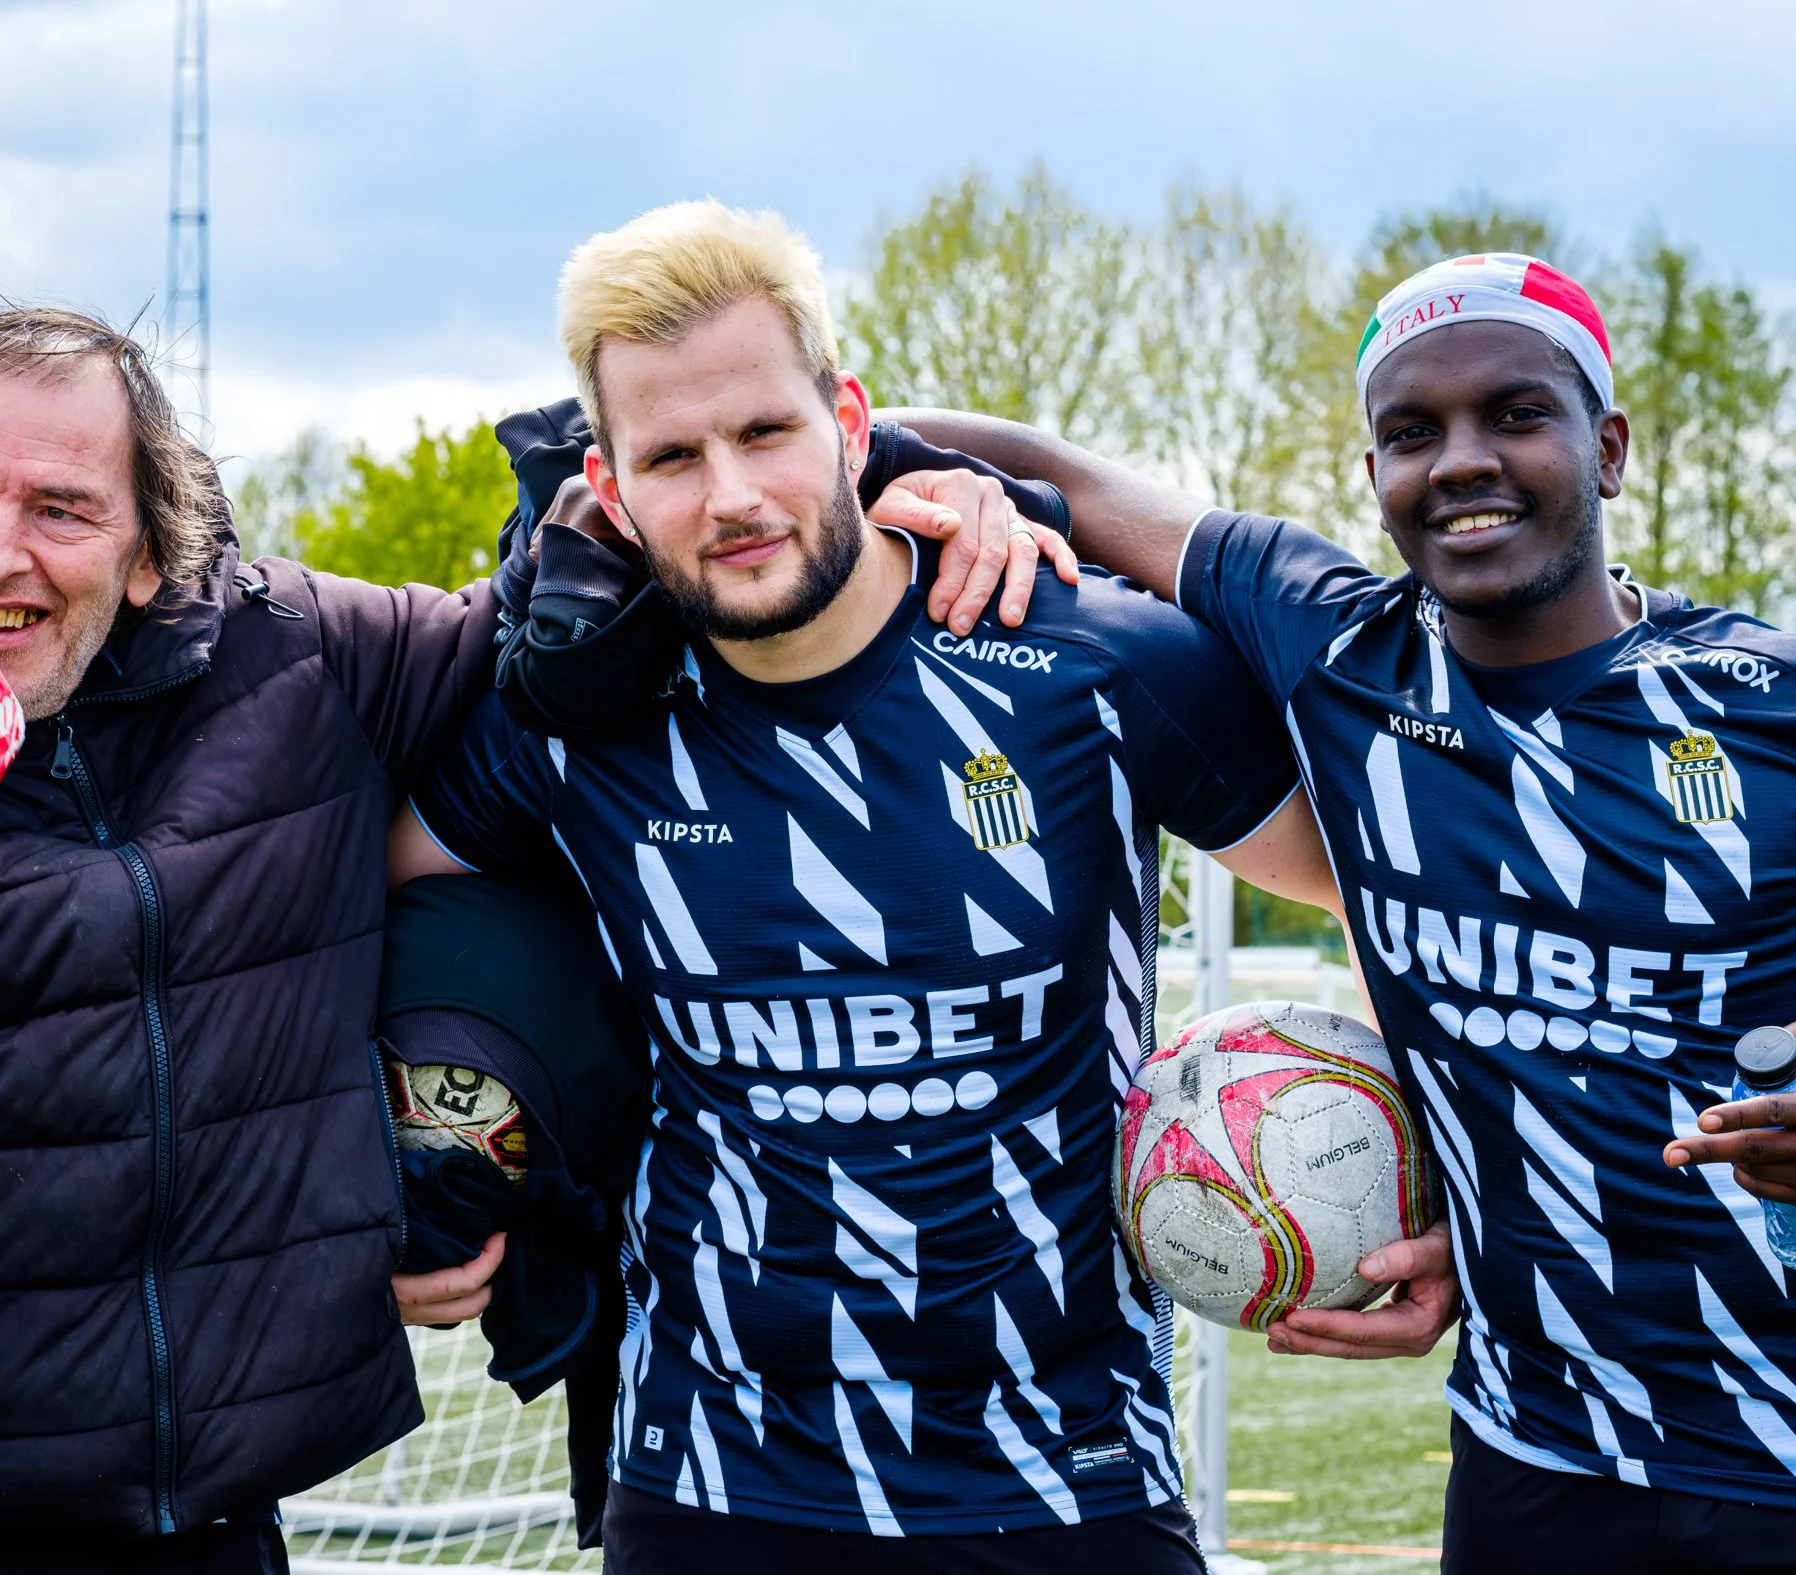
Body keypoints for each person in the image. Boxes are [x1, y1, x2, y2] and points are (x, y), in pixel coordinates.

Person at [0, 303, 1050, 1572]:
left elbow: (582, 591)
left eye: (62, 508)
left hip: (204, 1528)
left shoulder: (298, 664)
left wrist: (899, 473)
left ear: (150, 553)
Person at [895, 253, 1796, 1570]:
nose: (1462, 460)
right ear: (1374, 475)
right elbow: (1041, 467)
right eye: (1413, 432)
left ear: (1607, 448)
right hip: (1537, 1459)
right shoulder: (1332, 646)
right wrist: (944, 484)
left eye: (1516, 414)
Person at [390, 199, 1363, 1573]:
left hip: (1069, 1473)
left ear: (851, 424)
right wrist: (365, 1177)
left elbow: (1393, 898)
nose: (731, 495)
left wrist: (1444, 1183)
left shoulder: (1091, 663)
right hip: (708, 1476)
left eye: (765, 432)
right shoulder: (565, 725)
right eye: (672, 456)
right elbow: (323, 918)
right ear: (606, 488)